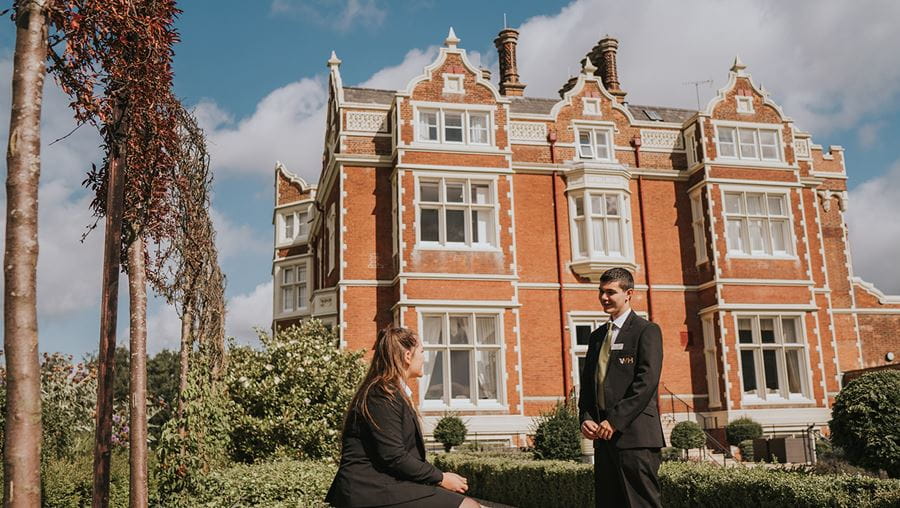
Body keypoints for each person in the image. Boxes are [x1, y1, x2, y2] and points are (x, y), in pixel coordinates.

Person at [326, 326, 480, 508]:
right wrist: (441, 478)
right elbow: (394, 456)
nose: (425, 358)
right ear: (408, 356)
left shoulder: (391, 392)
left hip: (385, 484)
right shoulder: (380, 395)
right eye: (422, 352)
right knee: (468, 507)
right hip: (369, 490)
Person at [578, 268, 665, 508]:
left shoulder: (646, 331)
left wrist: (614, 421)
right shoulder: (596, 337)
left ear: (629, 294)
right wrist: (585, 418)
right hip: (602, 438)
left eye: (610, 292)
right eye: (601, 292)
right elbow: (588, 384)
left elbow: (646, 382)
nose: (604, 298)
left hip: (635, 437)